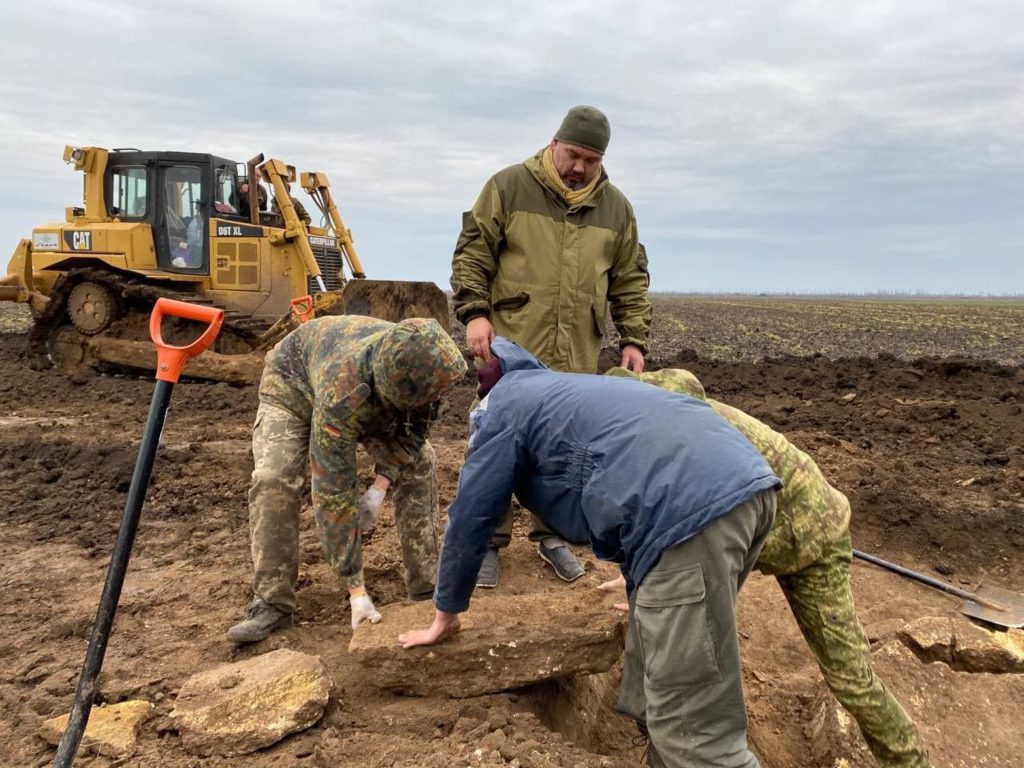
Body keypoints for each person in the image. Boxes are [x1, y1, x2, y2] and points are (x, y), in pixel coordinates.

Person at [400, 338, 782, 768]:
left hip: (688, 515)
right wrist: (642, 575)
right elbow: (625, 466)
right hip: (749, 488)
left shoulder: (501, 410)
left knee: (698, 737)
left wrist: (446, 611)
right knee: (663, 653)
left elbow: (471, 515)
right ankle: (660, 745)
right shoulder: (560, 389)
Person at [600, 366, 932, 768]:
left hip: (814, 537)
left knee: (850, 678)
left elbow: (678, 521)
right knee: (682, 633)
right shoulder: (651, 424)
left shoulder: (679, 431)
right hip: (756, 532)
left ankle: (911, 762)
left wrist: (649, 589)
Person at [450, 105, 653, 586]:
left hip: (577, 348)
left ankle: (553, 535)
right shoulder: (507, 186)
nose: (580, 167)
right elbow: (473, 252)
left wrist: (634, 339)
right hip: (512, 343)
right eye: (573, 155)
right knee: (495, 436)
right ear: (553, 144)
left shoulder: (618, 209)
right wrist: (475, 313)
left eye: (591, 159)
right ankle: (486, 542)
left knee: (570, 445)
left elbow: (630, 279)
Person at [227, 316, 467, 644]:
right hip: (292, 386)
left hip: (368, 389)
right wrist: (356, 589)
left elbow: (415, 432)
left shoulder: (427, 367)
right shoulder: (345, 391)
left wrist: (380, 486)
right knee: (274, 478)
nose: (435, 400)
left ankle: (426, 585)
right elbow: (333, 489)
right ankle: (273, 600)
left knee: (422, 460)